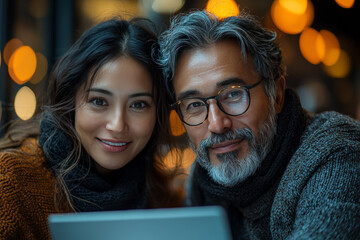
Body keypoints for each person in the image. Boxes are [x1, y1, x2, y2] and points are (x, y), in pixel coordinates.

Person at [158, 10, 360, 239]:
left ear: (277, 95)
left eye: (233, 95)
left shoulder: (337, 154)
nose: (216, 124)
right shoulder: (203, 181)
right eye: (194, 105)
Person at [0, 18, 182, 239]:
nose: (117, 125)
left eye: (138, 104)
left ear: (158, 114)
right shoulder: (11, 183)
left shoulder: (166, 201)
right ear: (71, 101)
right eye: (99, 101)